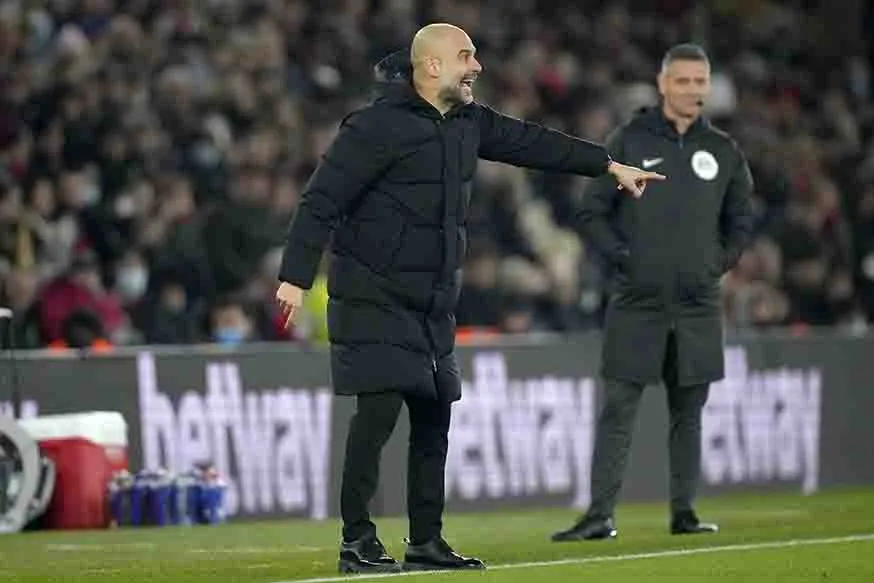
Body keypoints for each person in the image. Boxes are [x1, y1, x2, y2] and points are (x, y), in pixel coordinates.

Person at [275, 23, 664, 574]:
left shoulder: (466, 122)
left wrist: (606, 164)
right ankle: (356, 541)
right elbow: (320, 201)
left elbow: (533, 143)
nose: (477, 66)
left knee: (435, 418)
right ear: (431, 66)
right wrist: (295, 275)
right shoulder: (374, 126)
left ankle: (424, 541)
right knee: (378, 416)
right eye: (466, 56)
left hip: (432, 301)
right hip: (372, 295)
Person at [551, 43, 755, 542]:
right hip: (637, 300)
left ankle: (684, 512)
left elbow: (742, 220)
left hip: (697, 303)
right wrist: (623, 258)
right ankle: (599, 515)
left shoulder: (723, 151)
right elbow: (590, 209)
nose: (691, 90)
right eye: (682, 81)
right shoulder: (628, 139)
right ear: (663, 84)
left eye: (699, 82)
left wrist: (718, 264)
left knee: (689, 409)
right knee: (618, 404)